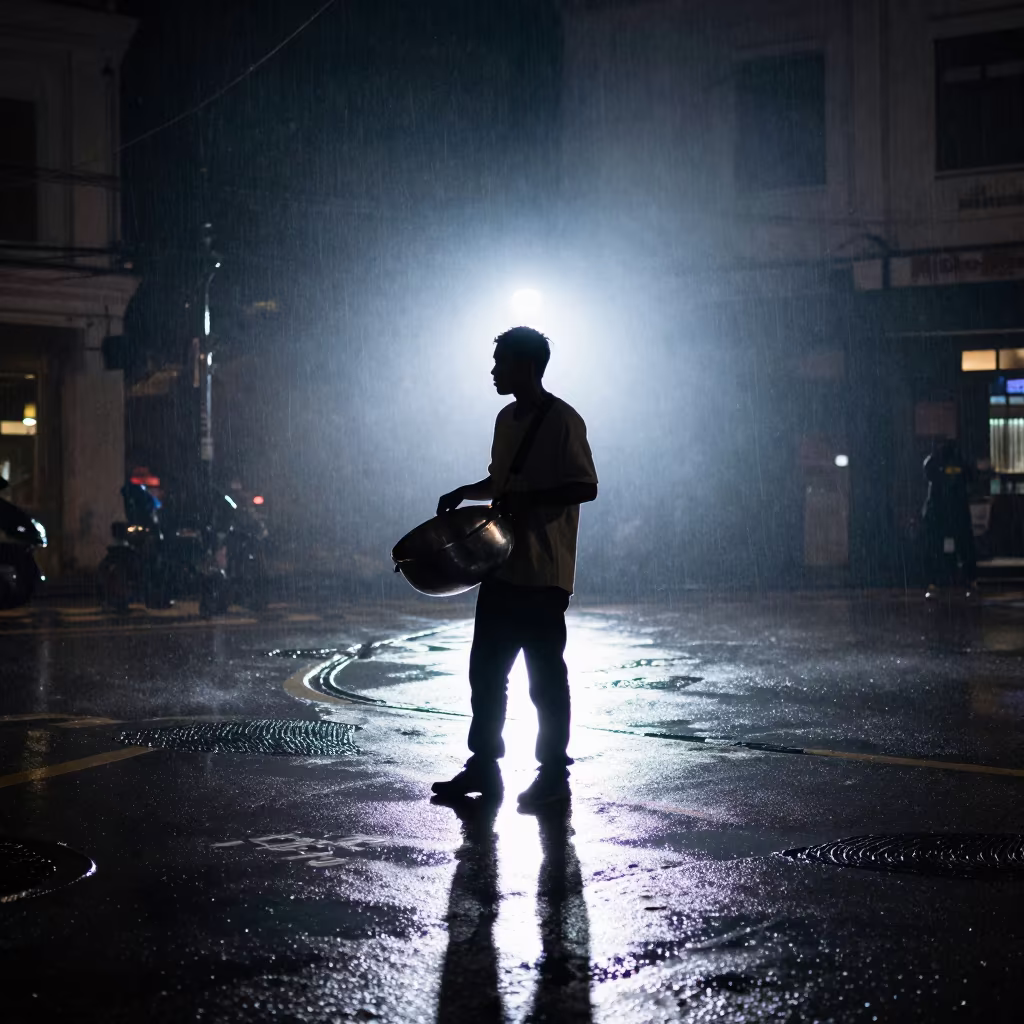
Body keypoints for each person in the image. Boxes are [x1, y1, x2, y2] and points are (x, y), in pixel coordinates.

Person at [431, 326, 598, 809]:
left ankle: (552, 772)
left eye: (501, 362)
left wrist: (529, 499)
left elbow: (585, 486)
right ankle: (483, 764)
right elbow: (501, 481)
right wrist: (468, 491)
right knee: (486, 674)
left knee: (544, 680)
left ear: (526, 366)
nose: (493, 371)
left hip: (544, 573)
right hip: (500, 569)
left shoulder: (564, 420)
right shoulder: (505, 419)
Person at [922, 439, 977, 597]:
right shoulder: (943, 462)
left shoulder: (943, 462)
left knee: (959, 547)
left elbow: (970, 475)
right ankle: (966, 581)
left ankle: (967, 581)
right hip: (946, 511)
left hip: (947, 511)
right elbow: (971, 476)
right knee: (943, 548)